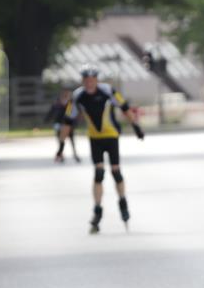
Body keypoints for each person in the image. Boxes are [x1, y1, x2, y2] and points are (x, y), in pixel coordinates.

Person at [61, 66, 145, 233]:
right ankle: (98, 210)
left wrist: (136, 126)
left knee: (115, 172)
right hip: (95, 139)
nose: (90, 84)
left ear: (97, 80)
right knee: (99, 174)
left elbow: (125, 107)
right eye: (86, 81)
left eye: (92, 80)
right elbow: (67, 120)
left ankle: (123, 202)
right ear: (83, 81)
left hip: (111, 136)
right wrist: (61, 147)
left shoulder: (108, 91)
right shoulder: (77, 96)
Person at [45, 89, 80, 163]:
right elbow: (51, 112)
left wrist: (74, 123)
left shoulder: (71, 104)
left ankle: (74, 154)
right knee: (61, 141)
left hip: (68, 125)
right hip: (59, 124)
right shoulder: (57, 103)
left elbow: (73, 115)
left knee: (71, 140)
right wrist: (47, 119)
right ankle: (60, 155)